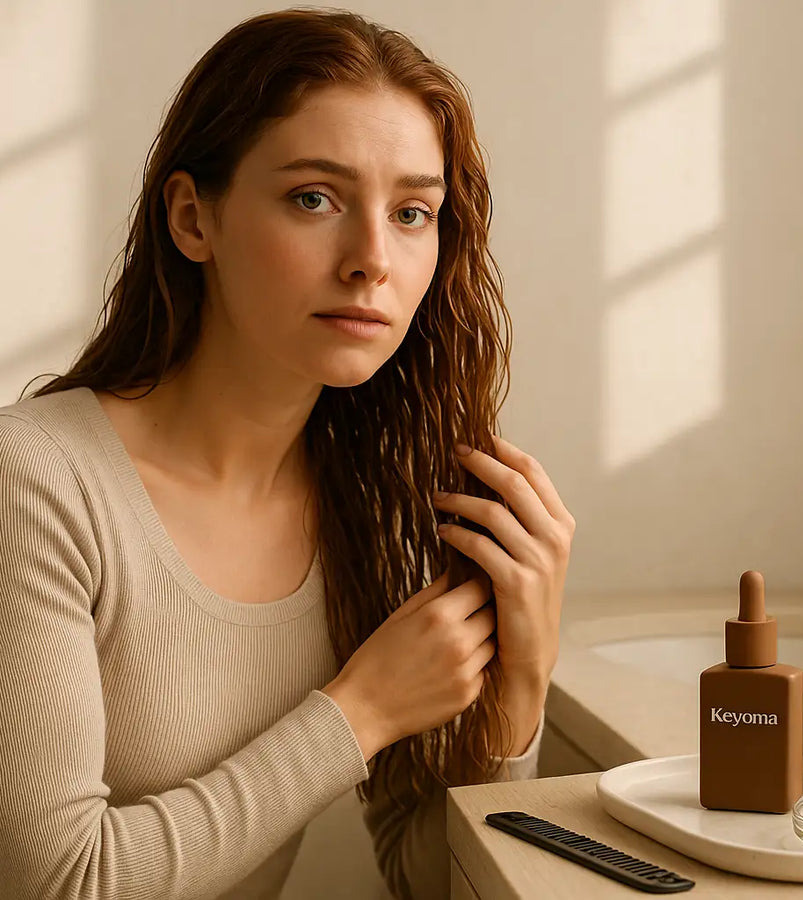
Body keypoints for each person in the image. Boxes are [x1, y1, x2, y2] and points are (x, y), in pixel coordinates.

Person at [0, 7, 575, 899]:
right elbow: (60, 884)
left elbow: (432, 884)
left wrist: (520, 686)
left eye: (413, 212)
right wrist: (362, 712)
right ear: (194, 219)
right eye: (315, 198)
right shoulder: (36, 480)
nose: (371, 260)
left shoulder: (376, 505)